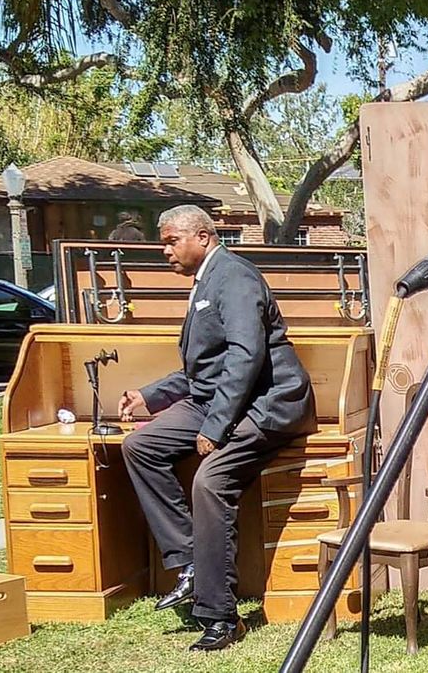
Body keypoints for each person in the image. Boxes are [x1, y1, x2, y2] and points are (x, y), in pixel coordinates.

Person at [118, 204, 316, 652]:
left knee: (210, 482)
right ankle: (189, 561)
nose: (164, 251)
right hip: (219, 400)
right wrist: (150, 397)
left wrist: (216, 425)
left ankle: (221, 618)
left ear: (203, 237)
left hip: (268, 403)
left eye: (171, 241)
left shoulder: (236, 278)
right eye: (163, 242)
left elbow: (247, 359)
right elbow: (205, 370)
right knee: (141, 446)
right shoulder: (206, 281)